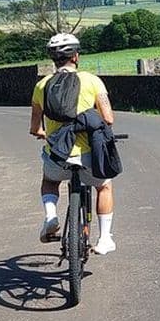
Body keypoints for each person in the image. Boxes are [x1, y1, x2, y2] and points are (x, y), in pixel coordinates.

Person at [29, 33, 118, 255]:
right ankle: (105, 239)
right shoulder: (92, 80)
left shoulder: (41, 86)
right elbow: (108, 118)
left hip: (58, 156)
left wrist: (44, 133)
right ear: (76, 57)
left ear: (53, 59)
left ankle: (51, 216)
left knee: (50, 182)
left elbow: (34, 128)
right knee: (104, 186)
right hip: (89, 156)